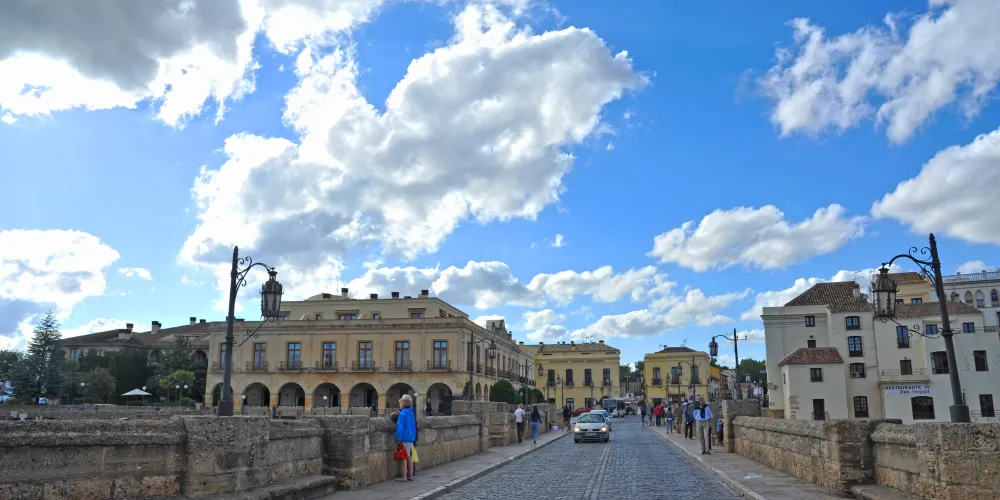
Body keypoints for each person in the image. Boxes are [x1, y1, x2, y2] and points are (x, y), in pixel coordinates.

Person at [395, 395, 417, 481]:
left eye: (400, 403)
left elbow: (400, 427)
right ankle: (410, 476)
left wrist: (398, 438)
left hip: (403, 439)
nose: (399, 405)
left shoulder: (402, 414)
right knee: (410, 457)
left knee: (403, 458)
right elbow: (413, 427)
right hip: (411, 439)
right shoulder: (411, 413)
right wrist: (413, 437)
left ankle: (404, 477)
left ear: (403, 404)